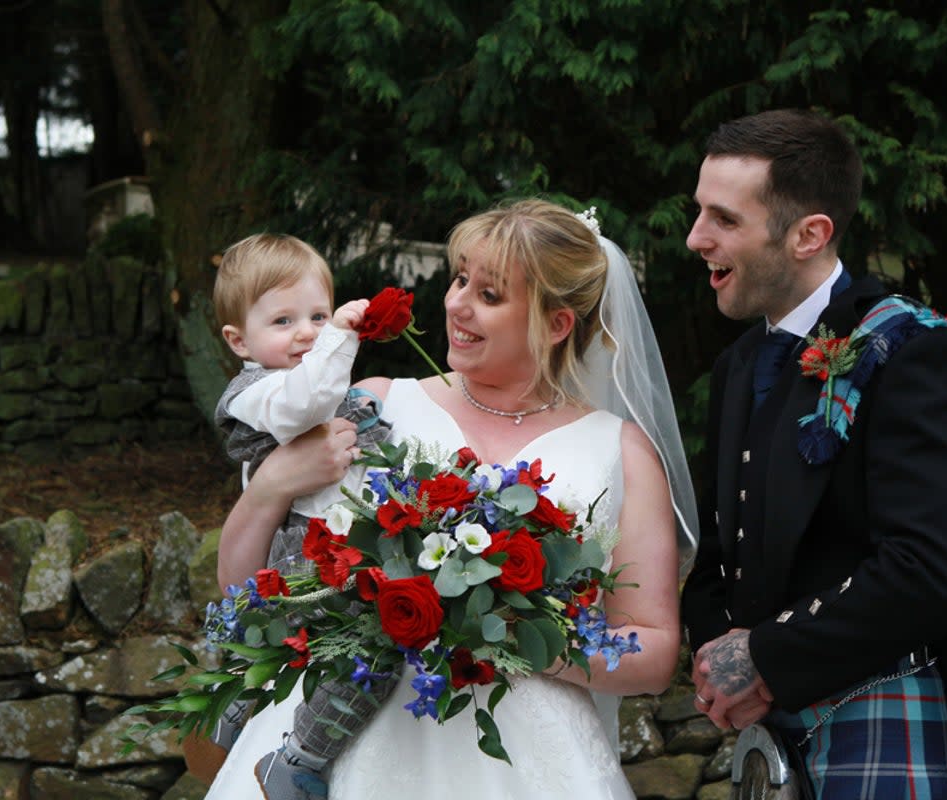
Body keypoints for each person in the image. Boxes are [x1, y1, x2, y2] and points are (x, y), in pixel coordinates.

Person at [206, 199, 699, 799]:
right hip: (346, 744)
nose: (456, 304)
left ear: (556, 324)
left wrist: (512, 632)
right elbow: (243, 590)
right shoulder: (373, 406)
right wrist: (271, 485)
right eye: (460, 279)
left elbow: (652, 652)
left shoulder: (620, 453)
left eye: (489, 295)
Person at [679, 108, 947, 799]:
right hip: (774, 724)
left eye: (724, 219)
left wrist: (764, 657)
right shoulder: (741, 364)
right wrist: (719, 654)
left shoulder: (915, 352)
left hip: (880, 715)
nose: (695, 238)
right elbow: (722, 545)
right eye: (698, 213)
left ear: (810, 234)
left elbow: (928, 572)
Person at [209, 232, 395, 799]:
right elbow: (304, 404)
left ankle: (244, 698)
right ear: (240, 341)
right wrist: (339, 335)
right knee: (373, 653)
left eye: (316, 314)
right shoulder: (253, 393)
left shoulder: (329, 384)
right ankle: (296, 759)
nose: (308, 331)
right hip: (300, 560)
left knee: (357, 651)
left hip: (335, 551)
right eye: (284, 321)